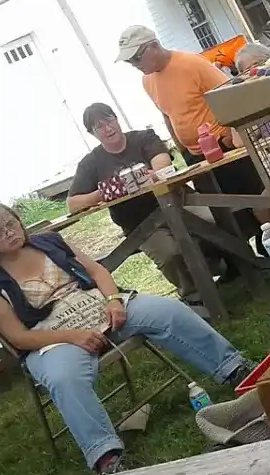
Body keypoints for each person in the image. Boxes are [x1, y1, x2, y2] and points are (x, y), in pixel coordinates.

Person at [0, 202, 255, 474]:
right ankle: (106, 456)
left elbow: (97, 271)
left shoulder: (49, 241)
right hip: (51, 338)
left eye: (11, 223)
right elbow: (18, 338)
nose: (10, 232)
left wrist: (114, 300)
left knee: (168, 311)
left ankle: (235, 369)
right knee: (64, 379)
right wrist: (72, 336)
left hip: (97, 306)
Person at [116, 26, 270, 234]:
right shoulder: (148, 80)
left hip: (224, 147)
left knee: (255, 202)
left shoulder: (192, 64)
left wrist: (230, 137)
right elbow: (167, 114)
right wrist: (183, 151)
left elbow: (230, 95)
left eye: (136, 58)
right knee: (226, 216)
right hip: (195, 155)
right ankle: (253, 262)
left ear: (153, 46)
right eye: (129, 62)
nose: (134, 65)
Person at [66, 103, 215, 318]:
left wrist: (148, 175)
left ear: (116, 119)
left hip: (178, 202)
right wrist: (110, 189)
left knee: (212, 221)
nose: (107, 128)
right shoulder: (91, 163)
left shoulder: (144, 137)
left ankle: (225, 268)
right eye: (99, 127)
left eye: (109, 120)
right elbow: (73, 203)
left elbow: (163, 164)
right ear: (92, 133)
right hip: (140, 223)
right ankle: (193, 297)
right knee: (169, 253)